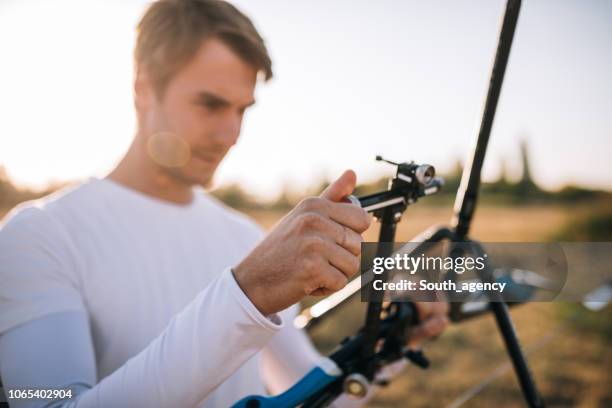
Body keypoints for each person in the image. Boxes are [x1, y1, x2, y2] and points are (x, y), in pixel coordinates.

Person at [0, 1, 448, 406]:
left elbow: (314, 390)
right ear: (143, 89)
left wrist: (392, 336)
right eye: (209, 105)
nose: (230, 133)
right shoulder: (38, 236)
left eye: (242, 109)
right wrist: (246, 293)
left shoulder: (241, 235)